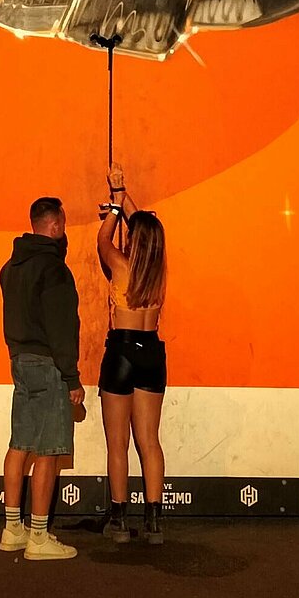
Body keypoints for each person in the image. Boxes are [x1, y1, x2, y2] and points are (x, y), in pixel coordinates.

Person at [0, 195, 85, 560]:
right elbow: (62, 328)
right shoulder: (54, 270)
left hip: (19, 361)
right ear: (55, 225)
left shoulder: (10, 267)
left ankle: (12, 529)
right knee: (48, 451)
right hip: (49, 365)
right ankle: (38, 537)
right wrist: (72, 378)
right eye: (63, 224)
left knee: (19, 444)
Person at [96, 168, 168, 545]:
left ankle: (120, 522)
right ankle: (154, 524)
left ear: (136, 239)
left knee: (118, 443)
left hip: (122, 350)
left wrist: (114, 207)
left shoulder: (121, 267)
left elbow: (103, 239)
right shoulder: (158, 274)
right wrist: (123, 194)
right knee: (149, 442)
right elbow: (142, 226)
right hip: (152, 351)